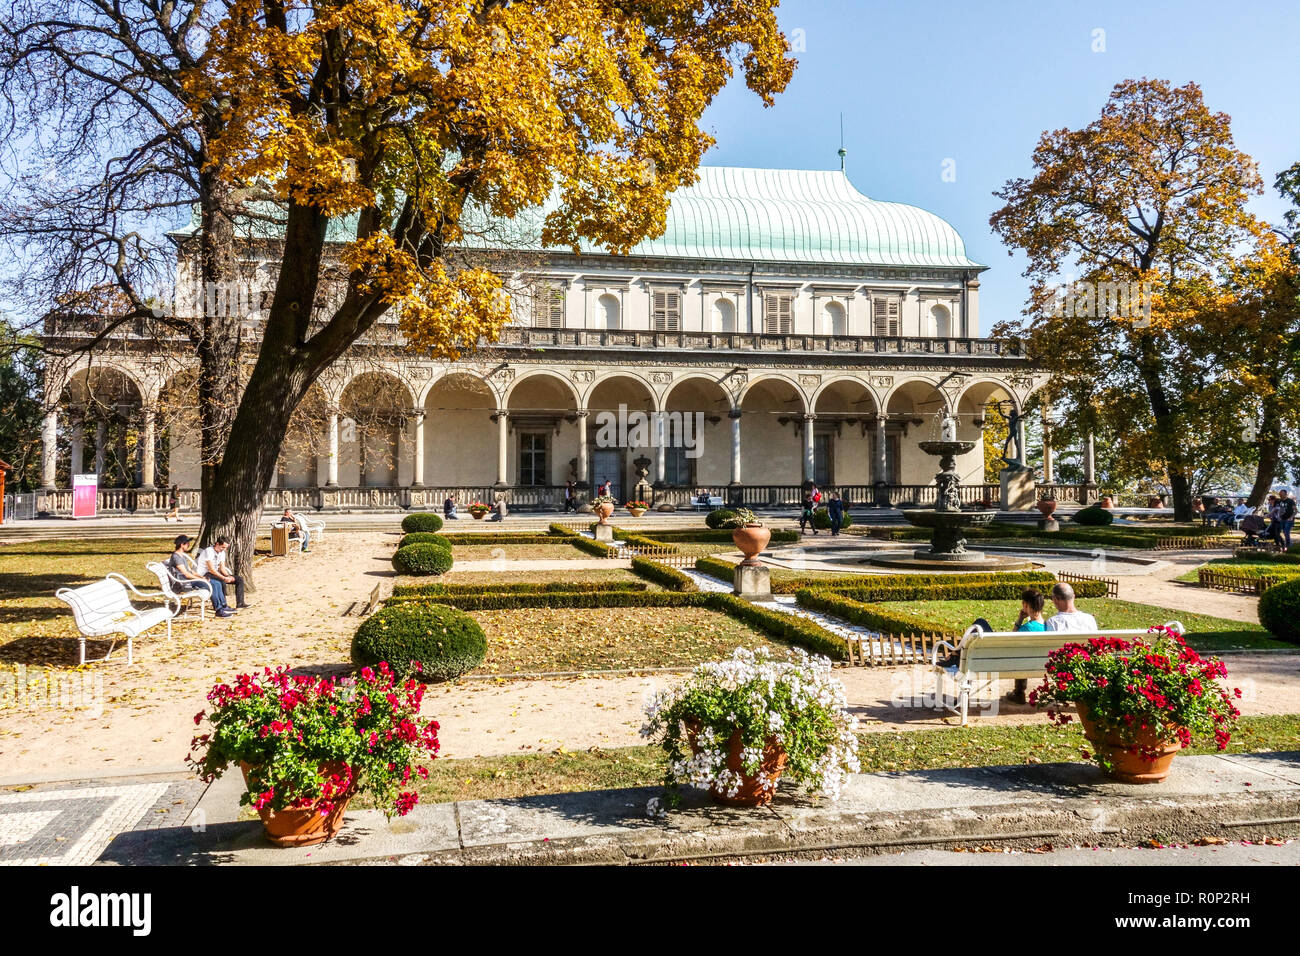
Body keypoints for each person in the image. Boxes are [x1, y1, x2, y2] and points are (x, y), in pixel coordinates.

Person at [198, 536, 248, 612]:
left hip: (215, 573)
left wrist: (228, 576)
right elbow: (211, 569)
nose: (224, 550)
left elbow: (222, 567)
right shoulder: (209, 551)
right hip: (205, 574)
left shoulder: (222, 552)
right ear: (217, 544)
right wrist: (224, 578)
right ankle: (223, 606)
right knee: (221, 581)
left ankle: (240, 603)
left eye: (225, 548)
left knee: (239, 579)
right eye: (222, 547)